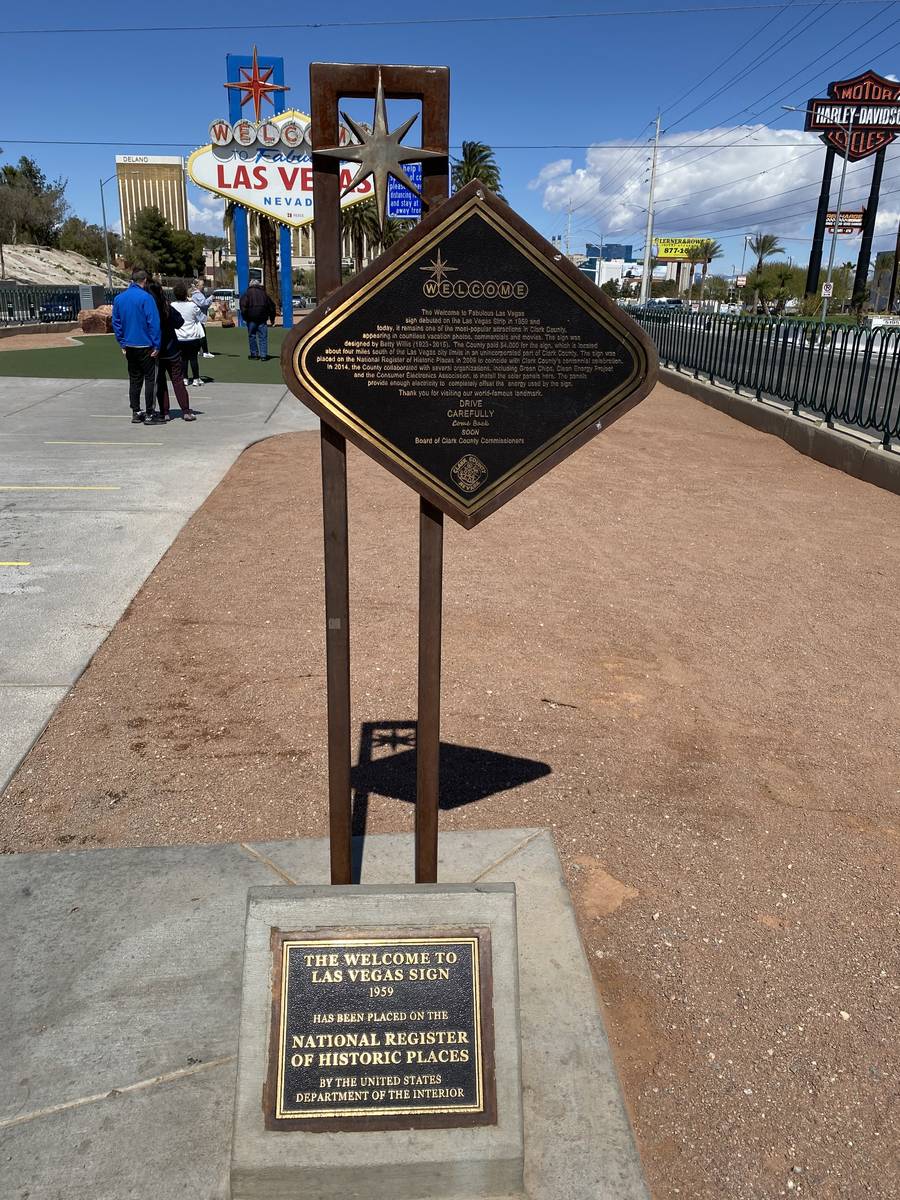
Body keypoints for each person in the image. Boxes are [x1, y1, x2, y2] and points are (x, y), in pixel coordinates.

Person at [111, 268, 161, 423]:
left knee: (134, 379)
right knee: (150, 379)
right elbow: (153, 323)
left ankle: (135, 411)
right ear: (144, 280)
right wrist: (156, 344)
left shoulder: (119, 299)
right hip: (145, 345)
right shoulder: (146, 298)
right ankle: (149, 412)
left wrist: (122, 342)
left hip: (130, 345)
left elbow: (116, 322)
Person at [147, 281, 196, 422]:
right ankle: (186, 411)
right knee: (178, 380)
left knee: (160, 382)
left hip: (155, 351)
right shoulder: (166, 307)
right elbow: (179, 322)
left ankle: (165, 411)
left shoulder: (148, 309)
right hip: (171, 349)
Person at [170, 281, 206, 387]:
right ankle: (196, 378)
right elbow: (202, 317)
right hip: (192, 336)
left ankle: (185, 378)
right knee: (193, 358)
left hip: (179, 337)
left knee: (183, 358)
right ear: (186, 294)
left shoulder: (172, 305)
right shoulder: (191, 305)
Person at [239, 279, 276, 361]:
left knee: (252, 336)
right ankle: (263, 355)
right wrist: (272, 319)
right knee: (263, 337)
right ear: (258, 285)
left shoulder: (246, 294)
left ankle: (254, 354)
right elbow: (272, 307)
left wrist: (245, 317)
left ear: (250, 285)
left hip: (251, 319)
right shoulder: (264, 294)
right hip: (262, 319)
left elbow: (243, 307)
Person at [190, 281, 215, 358]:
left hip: (197, 317)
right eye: (202, 285)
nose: (203, 286)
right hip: (199, 317)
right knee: (202, 335)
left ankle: (197, 350)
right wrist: (211, 298)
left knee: (198, 335)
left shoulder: (197, 294)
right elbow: (203, 303)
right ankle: (205, 352)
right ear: (197, 285)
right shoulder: (198, 294)